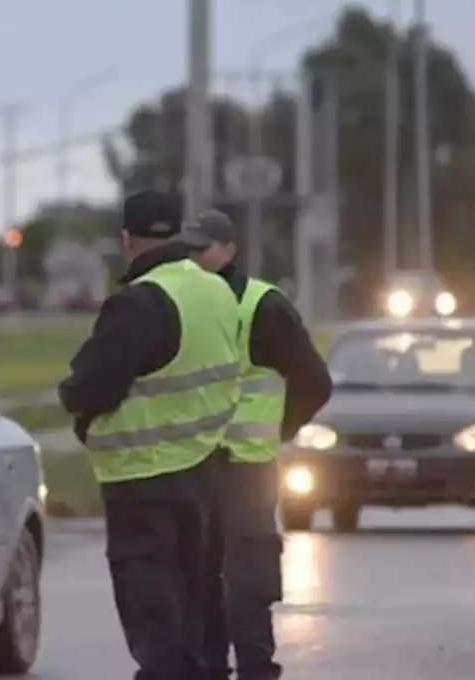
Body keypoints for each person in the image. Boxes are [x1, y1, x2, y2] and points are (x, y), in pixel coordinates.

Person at [57, 189, 243, 680]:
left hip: (144, 478)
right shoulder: (217, 289)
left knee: (153, 605)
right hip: (206, 468)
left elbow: (89, 385)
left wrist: (78, 411)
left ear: (126, 238)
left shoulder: (141, 301)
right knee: (197, 596)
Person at [181, 208, 333, 680]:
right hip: (193, 465)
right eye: (188, 248)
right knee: (198, 574)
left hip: (246, 466)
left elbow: (314, 380)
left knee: (246, 578)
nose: (195, 257)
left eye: (203, 248)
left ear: (229, 250)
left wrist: (277, 429)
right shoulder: (176, 300)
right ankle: (209, 666)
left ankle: (254, 667)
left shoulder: (263, 306)